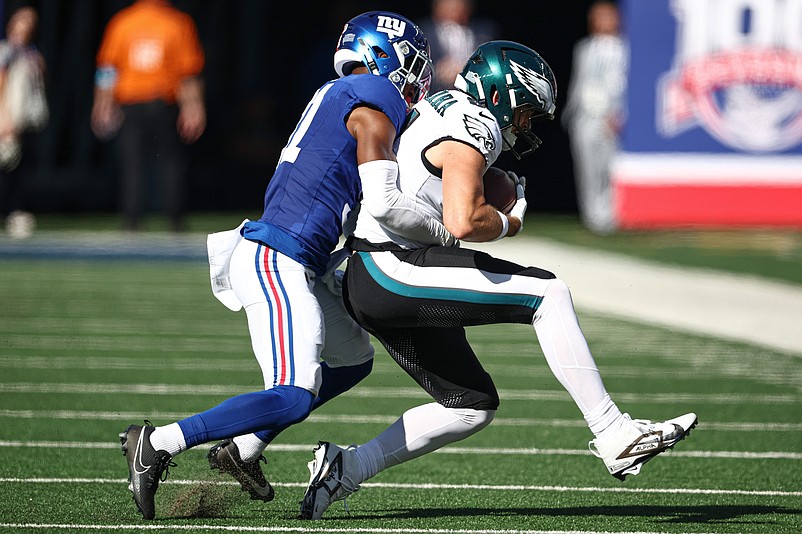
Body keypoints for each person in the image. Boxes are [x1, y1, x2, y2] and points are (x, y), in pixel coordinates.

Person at [298, 41, 697, 520]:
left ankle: (346, 467)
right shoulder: (476, 122)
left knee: (470, 404)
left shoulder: (441, 105)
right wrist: (510, 223)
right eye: (525, 111)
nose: (524, 125)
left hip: (370, 274)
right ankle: (613, 431)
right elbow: (464, 221)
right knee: (549, 294)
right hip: (393, 268)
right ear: (502, 93)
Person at [117, 11, 452, 520]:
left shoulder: (340, 94)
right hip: (281, 256)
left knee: (352, 361)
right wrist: (446, 227)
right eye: (411, 62)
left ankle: (243, 449)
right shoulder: (373, 94)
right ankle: (158, 442)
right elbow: (384, 199)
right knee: (294, 395)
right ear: (384, 56)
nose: (416, 76)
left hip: (299, 256)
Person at [91, 0, 206, 232]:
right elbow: (188, 73)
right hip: (163, 103)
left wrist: (101, 103)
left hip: (131, 104)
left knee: (132, 162)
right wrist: (194, 107)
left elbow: (107, 69)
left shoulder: (123, 22)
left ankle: (132, 219)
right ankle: (174, 219)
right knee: (171, 162)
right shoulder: (177, 22)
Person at [562, 0, 628, 234]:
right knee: (587, 168)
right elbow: (578, 82)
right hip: (585, 116)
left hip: (613, 118)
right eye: (599, 17)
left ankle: (613, 215)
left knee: (611, 168)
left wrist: (621, 113)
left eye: (608, 17)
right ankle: (593, 217)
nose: (604, 22)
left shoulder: (626, 48)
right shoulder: (584, 48)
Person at [0, 5, 48, 238]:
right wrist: (4, 117)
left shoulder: (31, 52)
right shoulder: (7, 51)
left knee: (19, 170)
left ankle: (15, 212)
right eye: (22, 21)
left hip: (25, 120)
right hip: (7, 119)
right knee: (8, 168)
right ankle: (12, 212)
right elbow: (1, 84)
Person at [418, 0, 498, 93]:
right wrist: (440, 69)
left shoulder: (486, 30)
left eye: (461, 4)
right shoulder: (424, 32)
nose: (456, 8)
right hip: (437, 92)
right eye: (450, 4)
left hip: (475, 91)